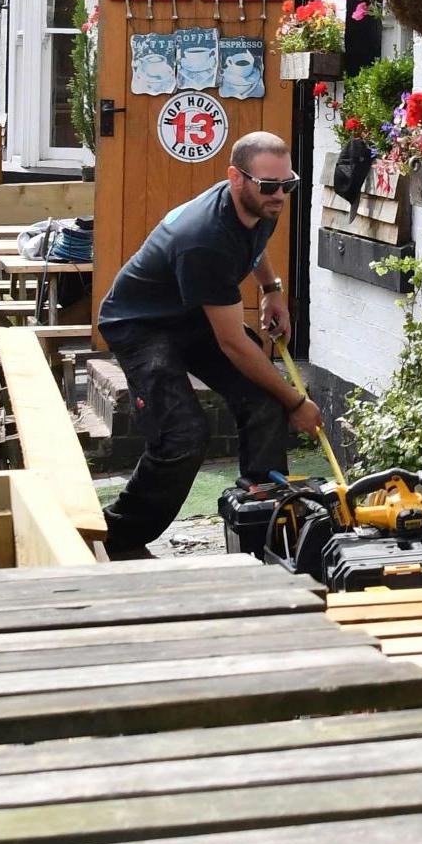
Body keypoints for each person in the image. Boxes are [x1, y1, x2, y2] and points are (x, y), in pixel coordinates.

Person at [96, 131, 323, 554]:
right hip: (142, 324)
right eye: (270, 186)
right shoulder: (204, 237)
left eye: (287, 185)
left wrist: (272, 289)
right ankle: (119, 537)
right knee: (182, 436)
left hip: (193, 312)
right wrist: (295, 400)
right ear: (236, 179)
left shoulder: (262, 200)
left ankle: (264, 529)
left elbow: (256, 242)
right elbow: (234, 343)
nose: (280, 196)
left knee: (263, 403)